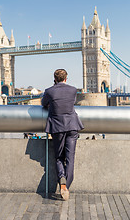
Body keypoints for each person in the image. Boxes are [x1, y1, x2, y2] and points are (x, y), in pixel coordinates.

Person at [41, 69, 84, 200]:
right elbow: (71, 103)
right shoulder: (73, 90)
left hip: (57, 127)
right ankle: (66, 186)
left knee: (59, 156)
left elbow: (44, 104)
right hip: (72, 126)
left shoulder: (49, 91)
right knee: (70, 158)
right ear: (66, 78)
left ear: (54, 79)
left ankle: (62, 179)